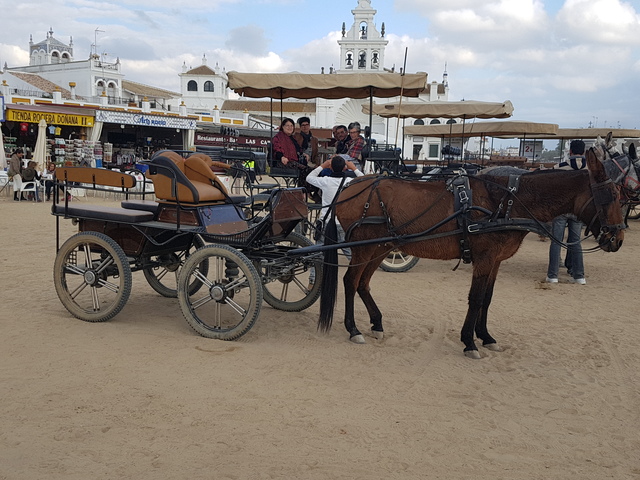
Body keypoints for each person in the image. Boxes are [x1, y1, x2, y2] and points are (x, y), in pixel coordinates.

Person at [306, 155, 364, 287]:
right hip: (343, 224)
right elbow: (363, 178)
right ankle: (359, 280)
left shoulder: (325, 181)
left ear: (331, 167)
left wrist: (323, 165)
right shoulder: (350, 181)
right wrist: (353, 167)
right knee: (352, 255)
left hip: (326, 223)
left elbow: (309, 178)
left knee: (318, 254)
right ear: (345, 167)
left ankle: (312, 282)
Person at [546, 140, 587, 285]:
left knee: (556, 241)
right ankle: (579, 276)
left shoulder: (560, 167)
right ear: (583, 152)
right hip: (577, 211)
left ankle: (552, 275)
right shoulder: (589, 169)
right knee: (575, 242)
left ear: (570, 152)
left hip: (561, 210)